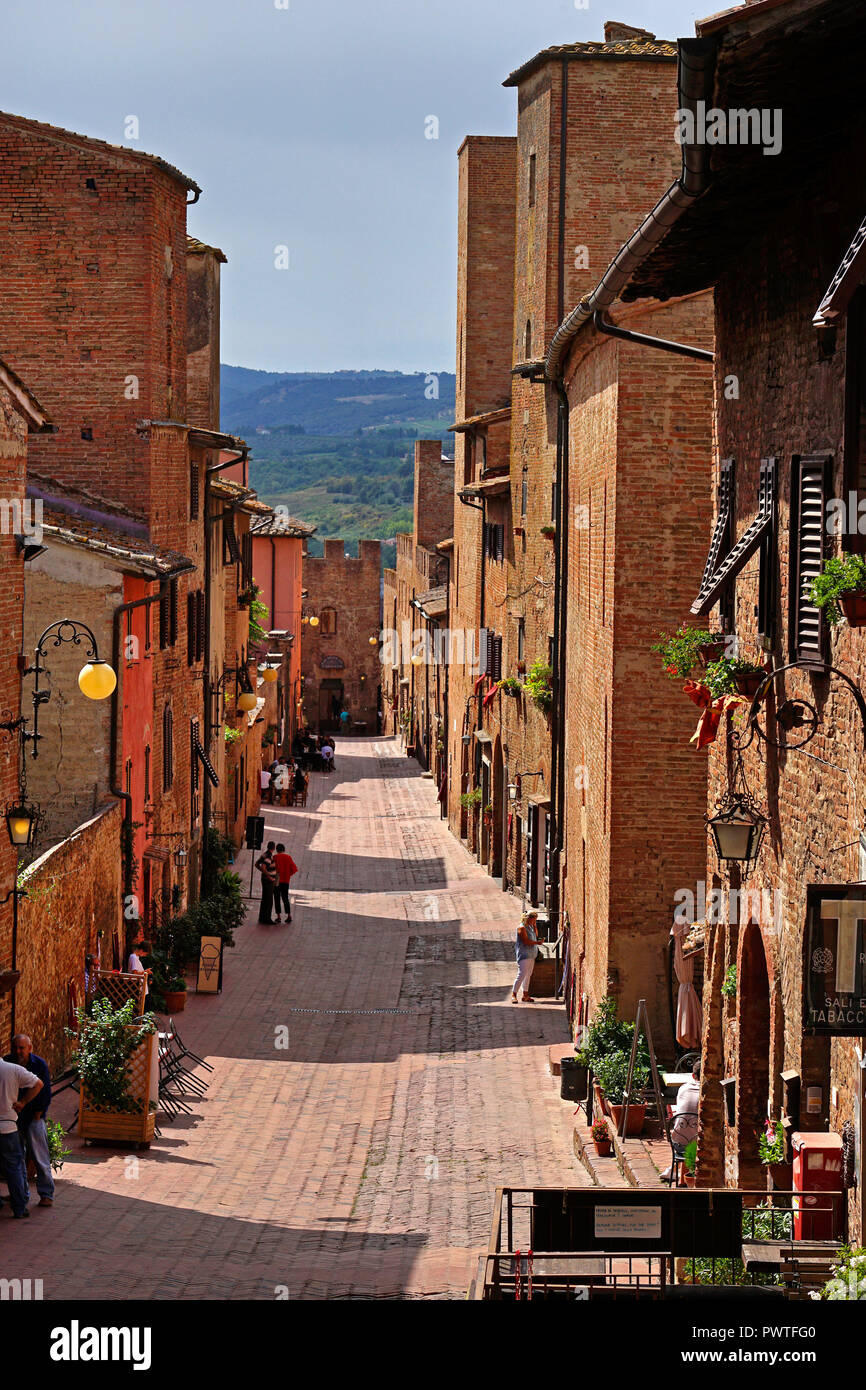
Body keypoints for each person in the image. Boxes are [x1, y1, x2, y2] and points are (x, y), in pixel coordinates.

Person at [4, 1035, 54, 1207]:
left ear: (30, 1048)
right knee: (18, 1158)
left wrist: (39, 1111)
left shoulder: (38, 1064)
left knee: (40, 1156)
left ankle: (46, 1193)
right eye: (15, 1048)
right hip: (14, 1118)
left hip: (33, 1115)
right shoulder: (7, 1062)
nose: (18, 1052)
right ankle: (20, 1194)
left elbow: (45, 1091)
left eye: (22, 1048)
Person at [0, 1054, 42, 1218]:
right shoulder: (13, 1069)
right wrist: (22, 1102)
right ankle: (18, 1207)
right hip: (8, 1126)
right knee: (14, 1168)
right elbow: (38, 1084)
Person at [661, 1059, 701, 1182]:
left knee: (685, 1125)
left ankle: (678, 1175)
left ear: (693, 1076)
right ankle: (684, 1177)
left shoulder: (683, 1088)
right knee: (694, 1133)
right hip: (697, 1144)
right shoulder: (709, 1093)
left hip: (677, 1144)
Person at [511, 911, 539, 1003]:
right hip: (524, 954)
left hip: (532, 954)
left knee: (528, 975)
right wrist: (537, 943)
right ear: (529, 919)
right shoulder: (521, 928)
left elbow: (536, 935)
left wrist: (535, 926)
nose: (534, 922)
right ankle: (514, 994)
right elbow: (526, 941)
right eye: (533, 920)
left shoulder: (531, 926)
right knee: (521, 974)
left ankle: (525, 995)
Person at [273, 842, 299, 923]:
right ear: (284, 849)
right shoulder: (288, 857)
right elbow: (294, 869)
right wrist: (288, 874)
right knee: (285, 898)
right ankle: (289, 915)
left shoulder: (275, 857)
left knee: (277, 898)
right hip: (285, 880)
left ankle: (278, 916)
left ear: (277, 850)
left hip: (277, 879)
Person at [255, 841, 279, 924]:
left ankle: (262, 917)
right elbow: (263, 866)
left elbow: (257, 864)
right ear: (274, 848)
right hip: (268, 881)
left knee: (265, 898)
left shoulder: (264, 854)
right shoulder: (269, 856)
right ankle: (267, 919)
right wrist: (268, 876)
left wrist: (263, 872)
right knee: (269, 900)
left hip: (265, 879)